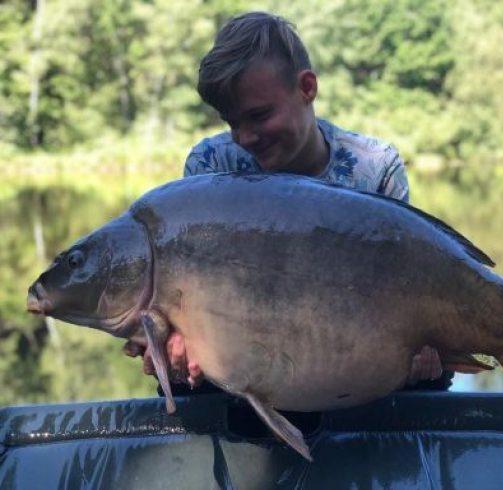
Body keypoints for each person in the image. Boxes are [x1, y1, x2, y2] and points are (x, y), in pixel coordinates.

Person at [131, 11, 453, 393]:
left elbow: (408, 291)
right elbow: (185, 297)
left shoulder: (376, 167)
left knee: (431, 377)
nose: (244, 137)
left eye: (259, 115)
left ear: (307, 87)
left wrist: (425, 352)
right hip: (246, 371)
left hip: (349, 372)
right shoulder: (211, 167)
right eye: (232, 122)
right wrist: (171, 342)